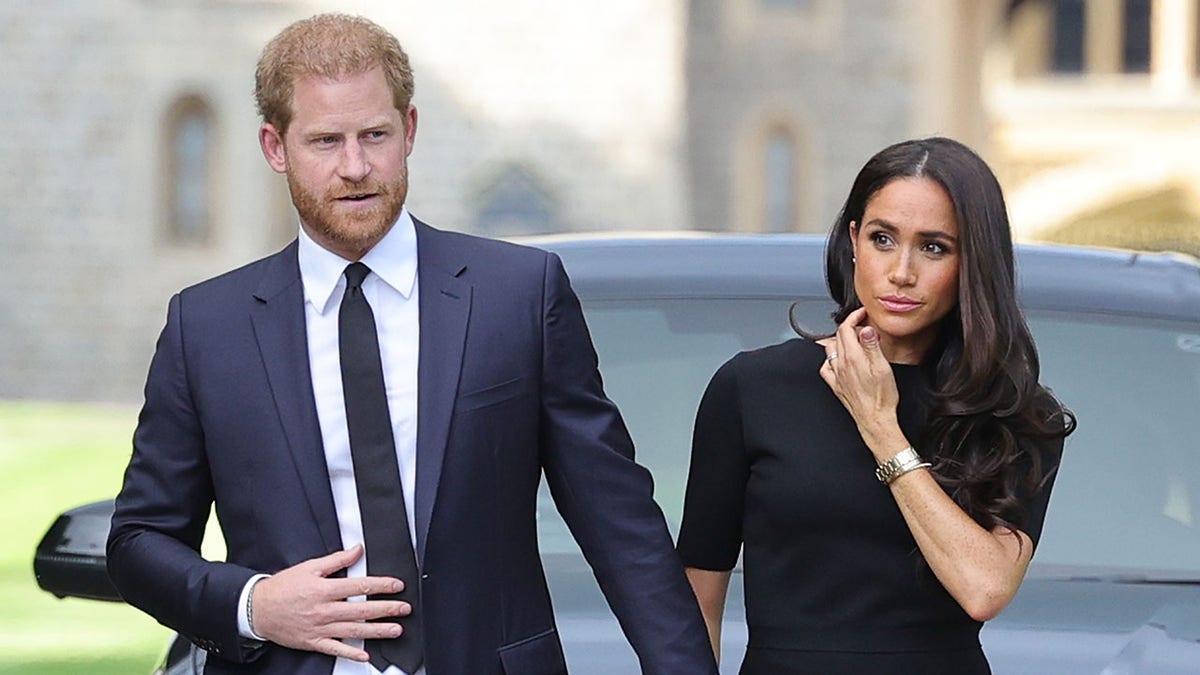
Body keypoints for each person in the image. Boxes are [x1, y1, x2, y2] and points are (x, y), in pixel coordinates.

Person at [107, 13, 716, 675]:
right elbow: (139, 541)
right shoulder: (207, 328)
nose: (355, 166)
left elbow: (618, 521)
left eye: (375, 135)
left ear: (410, 131)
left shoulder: (518, 295)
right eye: (325, 141)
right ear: (274, 147)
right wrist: (255, 603)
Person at [677, 137, 1075, 674]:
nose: (902, 272)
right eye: (883, 238)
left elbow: (984, 589)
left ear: (972, 264)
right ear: (853, 242)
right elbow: (699, 592)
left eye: (934, 247)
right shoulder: (753, 389)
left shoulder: (1014, 414)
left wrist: (880, 426)